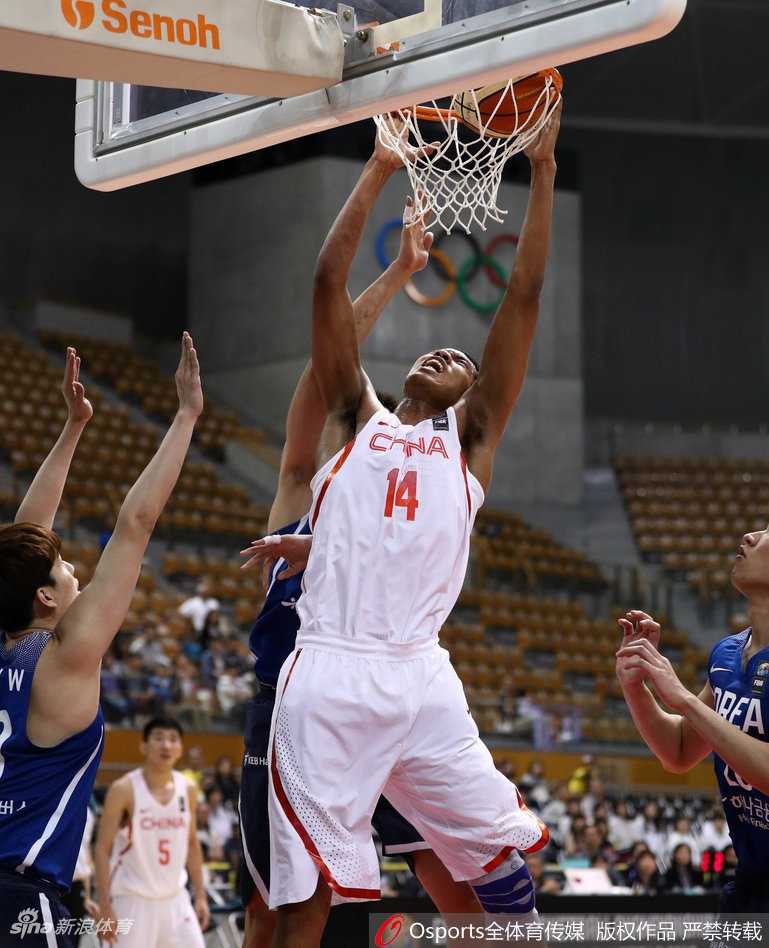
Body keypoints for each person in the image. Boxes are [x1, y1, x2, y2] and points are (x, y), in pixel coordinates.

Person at [244, 108, 562, 947]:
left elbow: (523, 296)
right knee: (304, 900)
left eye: (462, 359)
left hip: (420, 672)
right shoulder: (357, 416)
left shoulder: (471, 443)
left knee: (494, 859)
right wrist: (379, 167)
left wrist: (543, 170)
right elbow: (324, 284)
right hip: (330, 670)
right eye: (434, 352)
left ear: (474, 391)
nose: (444, 355)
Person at [237, 198, 483, 948]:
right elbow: (327, 364)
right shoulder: (306, 487)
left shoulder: (423, 499)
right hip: (292, 708)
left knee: (452, 881)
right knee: (270, 908)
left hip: (385, 703)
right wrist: (400, 271)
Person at [0, 337, 203, 943]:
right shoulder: (63, 660)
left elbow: (25, 536)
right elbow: (135, 524)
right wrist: (186, 415)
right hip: (20, 899)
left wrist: (74, 428)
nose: (75, 571)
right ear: (44, 598)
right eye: (65, 570)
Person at [616, 554, 769, 911]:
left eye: (766, 533)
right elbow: (681, 750)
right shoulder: (728, 652)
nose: (750, 536)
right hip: (750, 883)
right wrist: (636, 687)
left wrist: (685, 699)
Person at [90, 718, 210, 946]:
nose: (166, 745)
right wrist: (104, 905)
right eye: (158, 738)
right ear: (143, 746)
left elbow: (192, 844)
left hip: (176, 899)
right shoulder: (123, 789)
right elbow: (102, 849)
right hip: (132, 901)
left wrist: (201, 895)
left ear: (180, 749)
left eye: (173, 739)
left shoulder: (188, 788)